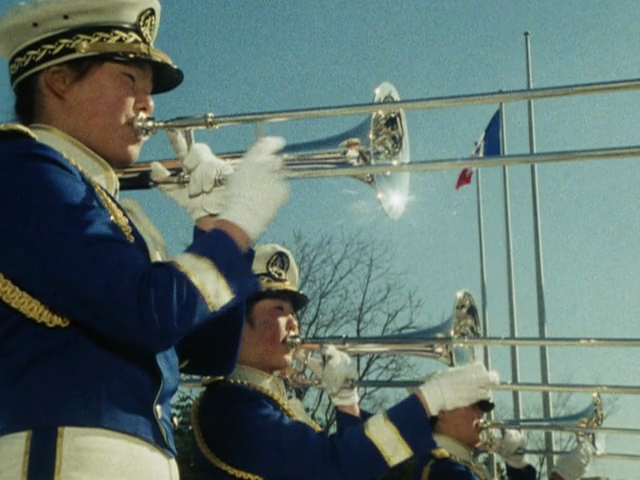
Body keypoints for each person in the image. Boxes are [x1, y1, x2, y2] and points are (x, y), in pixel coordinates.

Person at [0, 0, 288, 478]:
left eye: (149, 90)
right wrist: (237, 226)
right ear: (59, 80)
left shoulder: (107, 206)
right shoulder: (21, 169)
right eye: (129, 80)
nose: (148, 104)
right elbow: (144, 312)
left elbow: (208, 352)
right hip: (68, 459)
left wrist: (213, 225)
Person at [190, 243, 501, 479]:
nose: (295, 322)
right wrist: (428, 400)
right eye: (279, 310)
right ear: (238, 322)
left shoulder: (265, 402)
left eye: (294, 312)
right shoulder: (228, 405)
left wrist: (347, 405)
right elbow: (335, 466)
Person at [414, 404, 593, 480]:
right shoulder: (445, 469)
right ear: (443, 413)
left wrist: (517, 464)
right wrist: (560, 477)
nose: (481, 414)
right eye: (473, 406)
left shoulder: (452, 463)